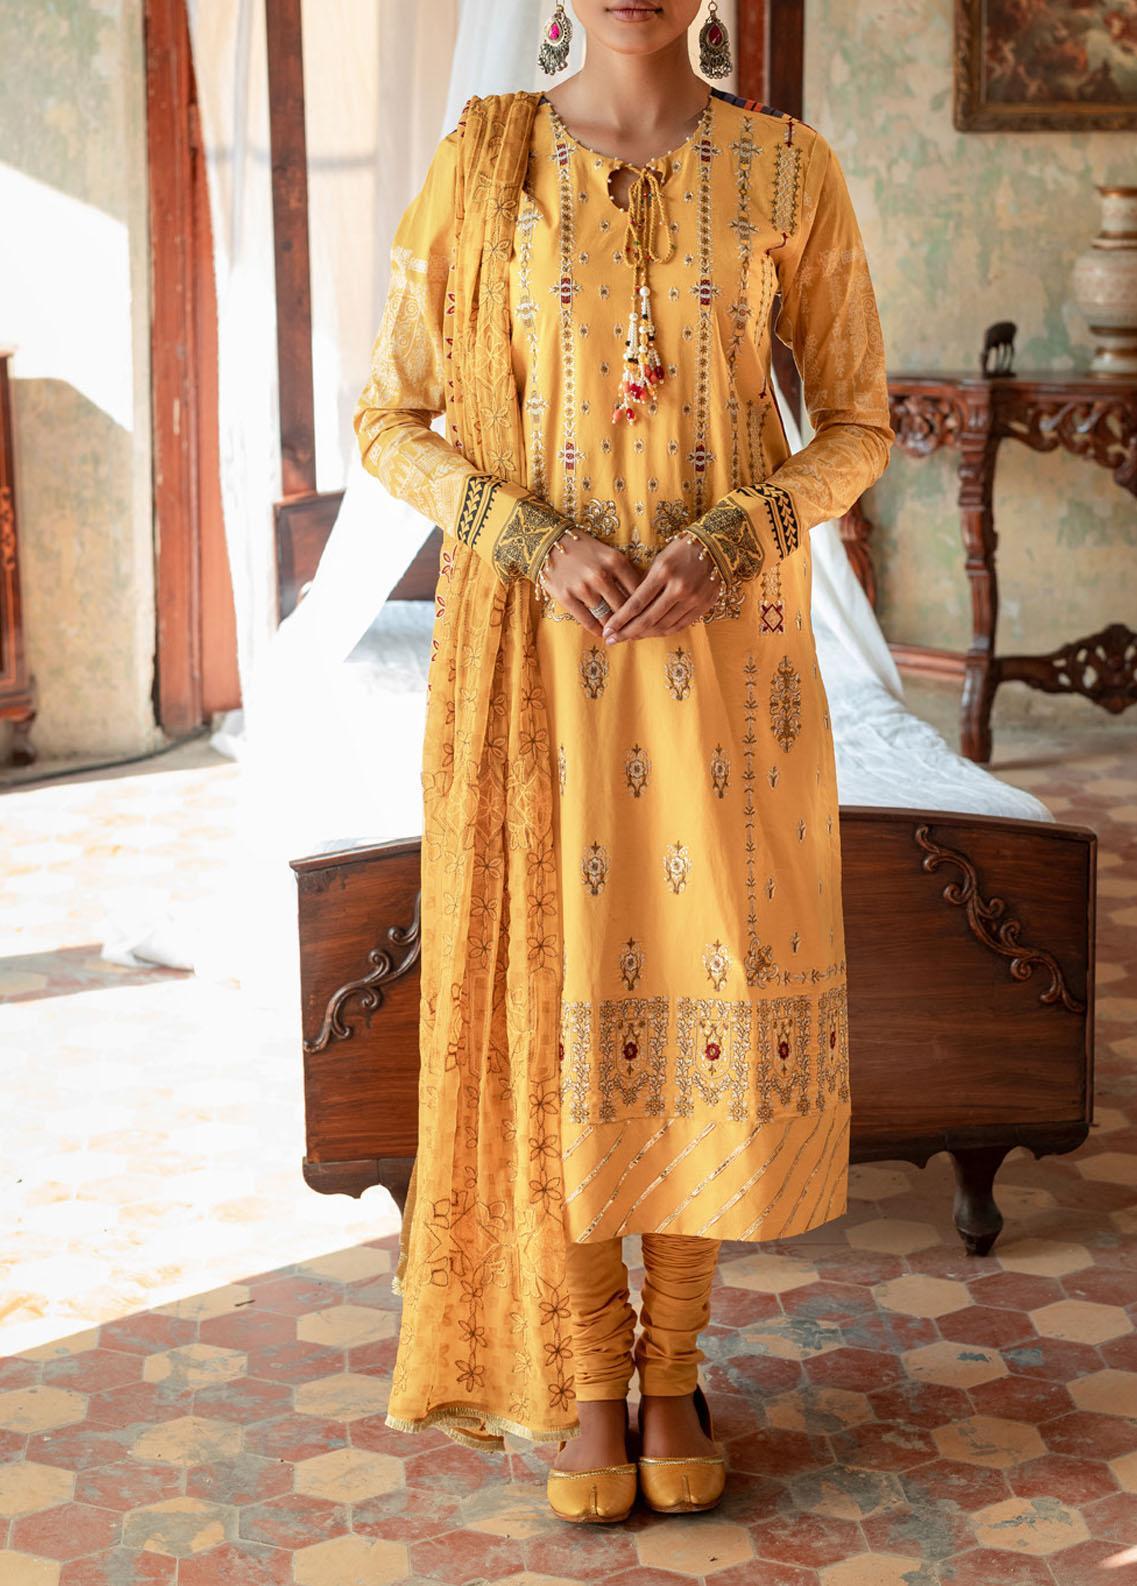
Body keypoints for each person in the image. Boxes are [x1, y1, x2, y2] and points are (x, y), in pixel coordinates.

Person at [353, 0, 894, 1523]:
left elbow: (855, 424)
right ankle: (595, 1378)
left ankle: (674, 1374)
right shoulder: (484, 164)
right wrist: (530, 541)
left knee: (702, 993)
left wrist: (737, 536)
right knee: (561, 1004)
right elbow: (389, 419)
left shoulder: (787, 171)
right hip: (537, 662)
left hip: (727, 664)